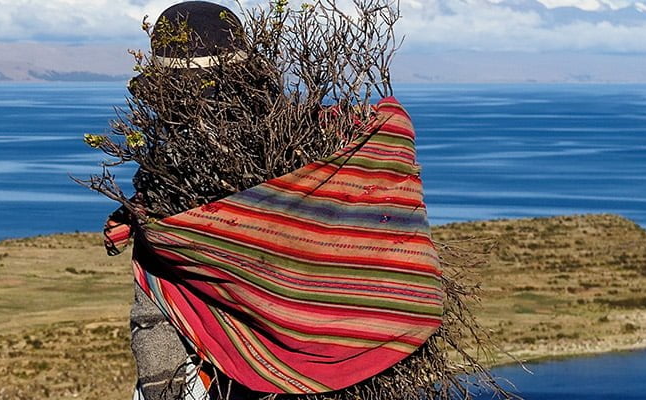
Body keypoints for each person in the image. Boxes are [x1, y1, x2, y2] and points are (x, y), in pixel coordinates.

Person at [105, 2, 449, 399]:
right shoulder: (307, 143)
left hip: (223, 376)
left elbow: (155, 312)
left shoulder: (174, 178)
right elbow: (387, 127)